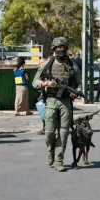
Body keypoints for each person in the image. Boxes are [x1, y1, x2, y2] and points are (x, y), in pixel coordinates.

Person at [33, 37, 82, 172]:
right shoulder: (46, 65)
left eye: (63, 47)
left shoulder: (72, 66)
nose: (61, 50)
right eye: (58, 48)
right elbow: (35, 81)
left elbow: (79, 84)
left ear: (66, 49)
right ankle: (51, 151)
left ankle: (59, 160)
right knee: (49, 131)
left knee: (64, 132)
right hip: (51, 100)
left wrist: (76, 93)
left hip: (66, 102)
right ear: (54, 49)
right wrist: (45, 83)